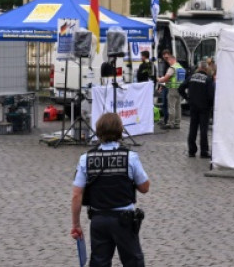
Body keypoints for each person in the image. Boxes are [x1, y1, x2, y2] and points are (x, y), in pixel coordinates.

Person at [71, 112, 150, 267]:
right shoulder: (130, 157)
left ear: (98, 132)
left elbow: (76, 195)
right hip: (124, 220)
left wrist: (76, 224)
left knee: (99, 262)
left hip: (98, 219)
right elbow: (145, 187)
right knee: (133, 262)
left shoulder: (86, 158)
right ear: (120, 132)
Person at [178, 60, 216, 158]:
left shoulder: (191, 77)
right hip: (204, 107)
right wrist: (211, 106)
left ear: (199, 68)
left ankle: (192, 150)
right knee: (203, 130)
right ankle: (204, 151)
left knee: (193, 128)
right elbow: (211, 95)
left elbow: (180, 88)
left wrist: (187, 98)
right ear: (206, 68)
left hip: (193, 106)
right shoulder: (208, 79)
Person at [157, 50, 185, 129]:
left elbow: (166, 79)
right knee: (178, 107)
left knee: (171, 107)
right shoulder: (180, 67)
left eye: (169, 60)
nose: (168, 62)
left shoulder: (172, 68)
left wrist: (159, 80)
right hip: (179, 90)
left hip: (172, 90)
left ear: (172, 59)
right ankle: (177, 123)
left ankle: (170, 123)